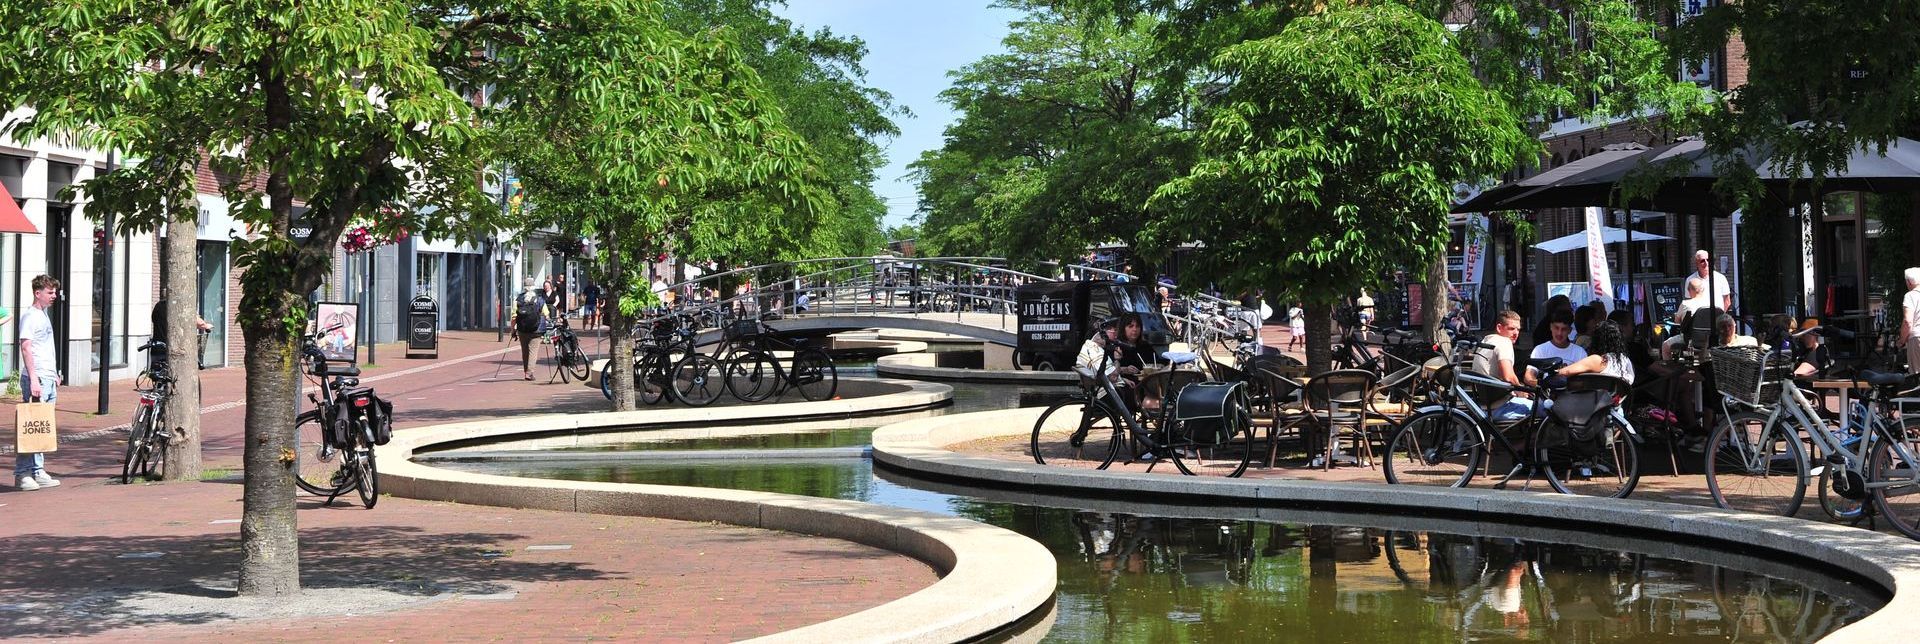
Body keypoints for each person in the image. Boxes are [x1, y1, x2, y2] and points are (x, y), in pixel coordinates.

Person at [16, 275, 60, 491]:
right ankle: (22, 473)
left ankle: (37, 470)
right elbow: (26, 347)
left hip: (47, 376)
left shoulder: (43, 315)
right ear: (38, 293)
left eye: (55, 292)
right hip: (38, 377)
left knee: (41, 426)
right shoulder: (30, 316)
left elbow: (45, 347)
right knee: (30, 425)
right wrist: (34, 378)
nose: (54, 296)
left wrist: (54, 373)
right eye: (50, 292)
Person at [1476, 310, 1532, 422]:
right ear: (1499, 328)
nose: (1516, 333)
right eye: (1511, 328)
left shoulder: (1486, 341)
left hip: (1482, 406)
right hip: (1499, 408)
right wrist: (1522, 392)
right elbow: (1508, 376)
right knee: (1544, 408)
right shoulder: (1504, 342)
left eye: (1518, 329)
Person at [1554, 321, 1635, 385]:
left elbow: (1564, 372)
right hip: (1620, 404)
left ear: (1596, 340)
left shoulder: (1598, 360)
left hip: (1595, 404)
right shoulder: (1625, 361)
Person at [512, 278, 548, 381]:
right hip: (536, 329)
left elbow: (514, 317)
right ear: (533, 287)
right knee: (533, 351)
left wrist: (513, 330)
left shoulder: (518, 300)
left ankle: (526, 371)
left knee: (525, 351)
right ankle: (529, 372)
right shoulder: (539, 299)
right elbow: (546, 313)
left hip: (522, 329)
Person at [1904, 267, 1920, 375]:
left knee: (1917, 374)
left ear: (1909, 282)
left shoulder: (1910, 296)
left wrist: (1901, 340)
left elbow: (1908, 322)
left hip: (1917, 337)